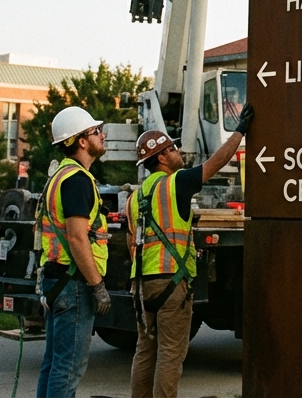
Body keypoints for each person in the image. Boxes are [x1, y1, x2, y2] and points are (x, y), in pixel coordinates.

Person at [128, 108, 252, 398]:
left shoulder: (135, 196)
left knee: (145, 350)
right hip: (171, 281)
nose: (178, 151)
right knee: (171, 353)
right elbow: (215, 163)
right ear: (161, 157)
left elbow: (132, 241)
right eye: (172, 148)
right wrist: (240, 131)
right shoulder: (177, 182)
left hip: (142, 284)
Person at [37, 107, 114, 398]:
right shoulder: (78, 180)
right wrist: (97, 285)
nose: (102, 135)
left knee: (54, 364)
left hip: (57, 279)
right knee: (69, 368)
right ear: (82, 141)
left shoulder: (60, 176)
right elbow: (78, 238)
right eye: (96, 131)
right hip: (74, 283)